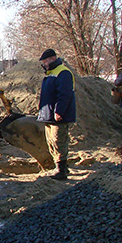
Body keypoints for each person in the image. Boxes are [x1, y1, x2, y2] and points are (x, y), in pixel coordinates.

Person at [37, 49, 76, 181]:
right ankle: (61, 167)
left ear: (53, 58)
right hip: (49, 115)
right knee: (51, 142)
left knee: (59, 141)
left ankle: (61, 170)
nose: (44, 64)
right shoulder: (51, 73)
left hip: (58, 115)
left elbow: (64, 94)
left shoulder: (63, 72)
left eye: (46, 61)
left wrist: (59, 110)